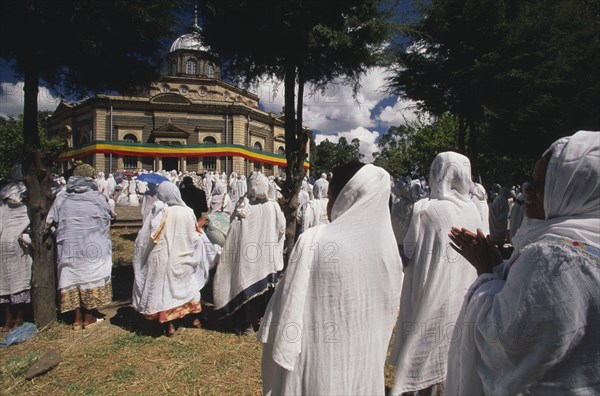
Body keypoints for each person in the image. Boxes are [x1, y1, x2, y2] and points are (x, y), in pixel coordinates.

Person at [447, 130, 600, 395]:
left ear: (573, 189)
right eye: (531, 180)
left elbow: (504, 340)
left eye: (541, 184)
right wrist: (499, 266)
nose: (528, 190)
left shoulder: (552, 257)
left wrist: (485, 273)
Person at [259, 162, 403, 395]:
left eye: (332, 194)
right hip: (364, 372)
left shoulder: (314, 241)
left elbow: (286, 314)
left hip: (317, 369)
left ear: (346, 196)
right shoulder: (390, 254)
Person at [388, 152, 485, 396]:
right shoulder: (475, 210)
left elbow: (409, 249)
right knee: (452, 357)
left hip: (430, 293)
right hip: (464, 297)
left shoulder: (427, 210)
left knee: (424, 353)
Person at [212, 172, 286, 335]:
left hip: (247, 259)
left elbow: (233, 229)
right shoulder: (272, 206)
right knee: (264, 290)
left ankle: (246, 325)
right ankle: (259, 321)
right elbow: (282, 229)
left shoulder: (243, 205)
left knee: (246, 285)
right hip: (265, 257)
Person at [46, 164, 113, 330]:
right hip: (93, 246)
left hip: (69, 247)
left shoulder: (62, 197)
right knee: (90, 277)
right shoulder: (97, 197)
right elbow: (110, 215)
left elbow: (50, 220)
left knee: (73, 279)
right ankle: (88, 317)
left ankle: (76, 318)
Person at [132, 182, 203, 337]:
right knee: (188, 287)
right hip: (183, 259)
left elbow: (145, 238)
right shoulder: (188, 212)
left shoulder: (159, 212)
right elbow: (193, 237)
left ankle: (169, 325)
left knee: (166, 292)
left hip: (163, 259)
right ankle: (194, 319)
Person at [0, 182, 32, 331]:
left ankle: (7, 321)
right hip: (17, 246)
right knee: (19, 281)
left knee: (3, 283)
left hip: (1, 245)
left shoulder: (2, 206)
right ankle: (18, 318)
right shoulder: (25, 208)